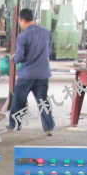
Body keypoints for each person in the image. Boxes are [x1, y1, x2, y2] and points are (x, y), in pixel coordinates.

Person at [8, 8, 55, 136]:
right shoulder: (46, 33)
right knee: (43, 101)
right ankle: (49, 127)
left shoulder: (23, 36)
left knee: (18, 99)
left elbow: (19, 57)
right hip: (43, 73)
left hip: (27, 74)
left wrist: (13, 58)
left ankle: (15, 124)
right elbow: (49, 51)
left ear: (22, 20)